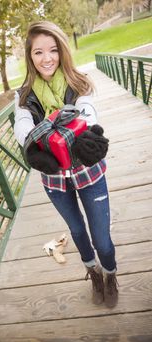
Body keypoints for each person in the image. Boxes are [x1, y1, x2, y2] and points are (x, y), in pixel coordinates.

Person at [14, 21, 118, 308]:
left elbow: (88, 116)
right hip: (55, 180)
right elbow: (22, 129)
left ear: (62, 51)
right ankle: (93, 273)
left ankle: (110, 274)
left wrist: (58, 131)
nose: (47, 58)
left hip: (88, 172)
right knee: (76, 231)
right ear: (30, 56)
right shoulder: (23, 95)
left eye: (53, 50)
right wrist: (42, 137)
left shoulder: (79, 82)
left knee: (102, 238)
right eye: (38, 52)